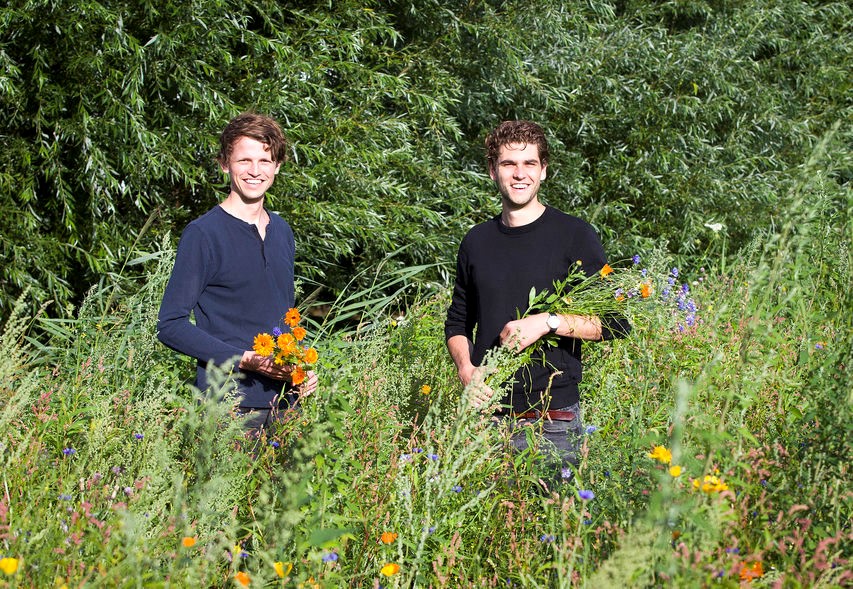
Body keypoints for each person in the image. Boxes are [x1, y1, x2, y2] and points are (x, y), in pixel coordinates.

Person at [444, 120, 630, 487]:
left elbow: (615, 321)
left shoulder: (575, 236)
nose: (519, 174)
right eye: (509, 164)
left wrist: (547, 322)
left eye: (529, 164)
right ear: (492, 171)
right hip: (486, 420)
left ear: (543, 171)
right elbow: (458, 323)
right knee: (488, 537)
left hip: (554, 422)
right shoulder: (476, 242)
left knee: (551, 536)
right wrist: (466, 369)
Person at [157, 112, 318, 434]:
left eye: (265, 160)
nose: (255, 171)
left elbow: (283, 318)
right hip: (228, 404)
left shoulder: (282, 230)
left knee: (290, 487)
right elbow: (170, 325)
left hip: (286, 402)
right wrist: (244, 359)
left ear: (278, 166)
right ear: (224, 164)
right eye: (244, 160)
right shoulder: (204, 234)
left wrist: (301, 366)